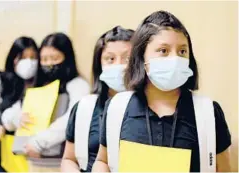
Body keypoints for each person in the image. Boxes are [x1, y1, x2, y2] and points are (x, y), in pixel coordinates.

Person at [93, 11, 231, 172]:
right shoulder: (117, 107)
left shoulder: (208, 111)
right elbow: (102, 161)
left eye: (182, 51)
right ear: (142, 57)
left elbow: (224, 169)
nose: (175, 58)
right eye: (163, 51)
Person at [61, 26, 134, 172]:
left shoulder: (152, 107)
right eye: (110, 59)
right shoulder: (84, 108)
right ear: (99, 64)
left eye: (127, 58)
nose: (119, 65)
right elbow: (69, 159)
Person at [22, 33, 90, 171]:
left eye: (54, 58)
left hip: (63, 161)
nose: (49, 64)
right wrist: (17, 119)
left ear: (67, 58)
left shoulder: (78, 85)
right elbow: (17, 111)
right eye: (44, 59)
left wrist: (39, 142)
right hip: (34, 160)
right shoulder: (38, 86)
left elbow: (71, 119)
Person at [0, 36, 38, 172]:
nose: (29, 62)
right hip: (4, 158)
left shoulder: (44, 84)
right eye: (22, 57)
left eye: (33, 57)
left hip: (36, 156)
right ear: (13, 58)